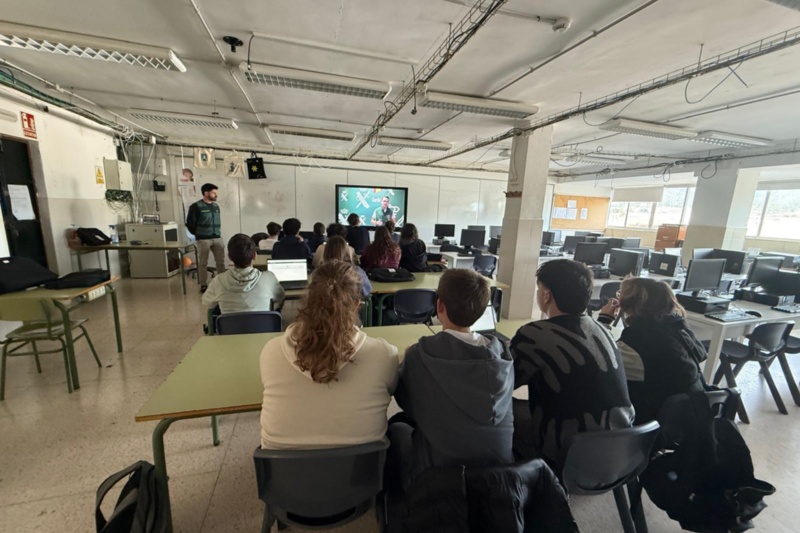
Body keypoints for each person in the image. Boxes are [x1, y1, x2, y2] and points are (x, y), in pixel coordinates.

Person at [389, 269, 514, 490]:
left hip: (443, 477)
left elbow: (407, 403)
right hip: (499, 475)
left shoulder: (420, 355)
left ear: (439, 306)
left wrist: (408, 360)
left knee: (397, 428)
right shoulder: (502, 355)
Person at [259, 261, 399, 449]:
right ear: (357, 305)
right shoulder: (384, 355)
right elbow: (392, 389)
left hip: (284, 475)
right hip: (362, 473)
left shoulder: (271, 351)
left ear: (309, 298)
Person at [510, 259, 634, 469]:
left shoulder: (534, 334)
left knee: (505, 409)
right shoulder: (603, 330)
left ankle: (528, 480)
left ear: (546, 295)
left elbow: (503, 384)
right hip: (622, 452)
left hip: (567, 454)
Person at [597, 277, 705, 423]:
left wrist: (603, 321)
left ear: (629, 304)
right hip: (693, 414)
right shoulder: (680, 330)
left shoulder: (636, 345)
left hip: (652, 423)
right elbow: (701, 354)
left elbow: (598, 360)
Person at [201, 234, 285, 314]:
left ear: (229, 257)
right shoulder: (269, 278)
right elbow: (280, 297)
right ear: (254, 256)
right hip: (263, 328)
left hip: (230, 328)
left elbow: (207, 302)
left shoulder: (218, 280)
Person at [186, 183, 225, 293]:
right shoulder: (196, 206)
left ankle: (222, 284)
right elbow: (190, 224)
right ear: (206, 193)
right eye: (213, 193)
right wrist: (199, 234)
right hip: (203, 239)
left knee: (220, 262)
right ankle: (203, 284)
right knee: (203, 263)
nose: (215, 195)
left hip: (217, 237)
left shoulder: (216, 206)